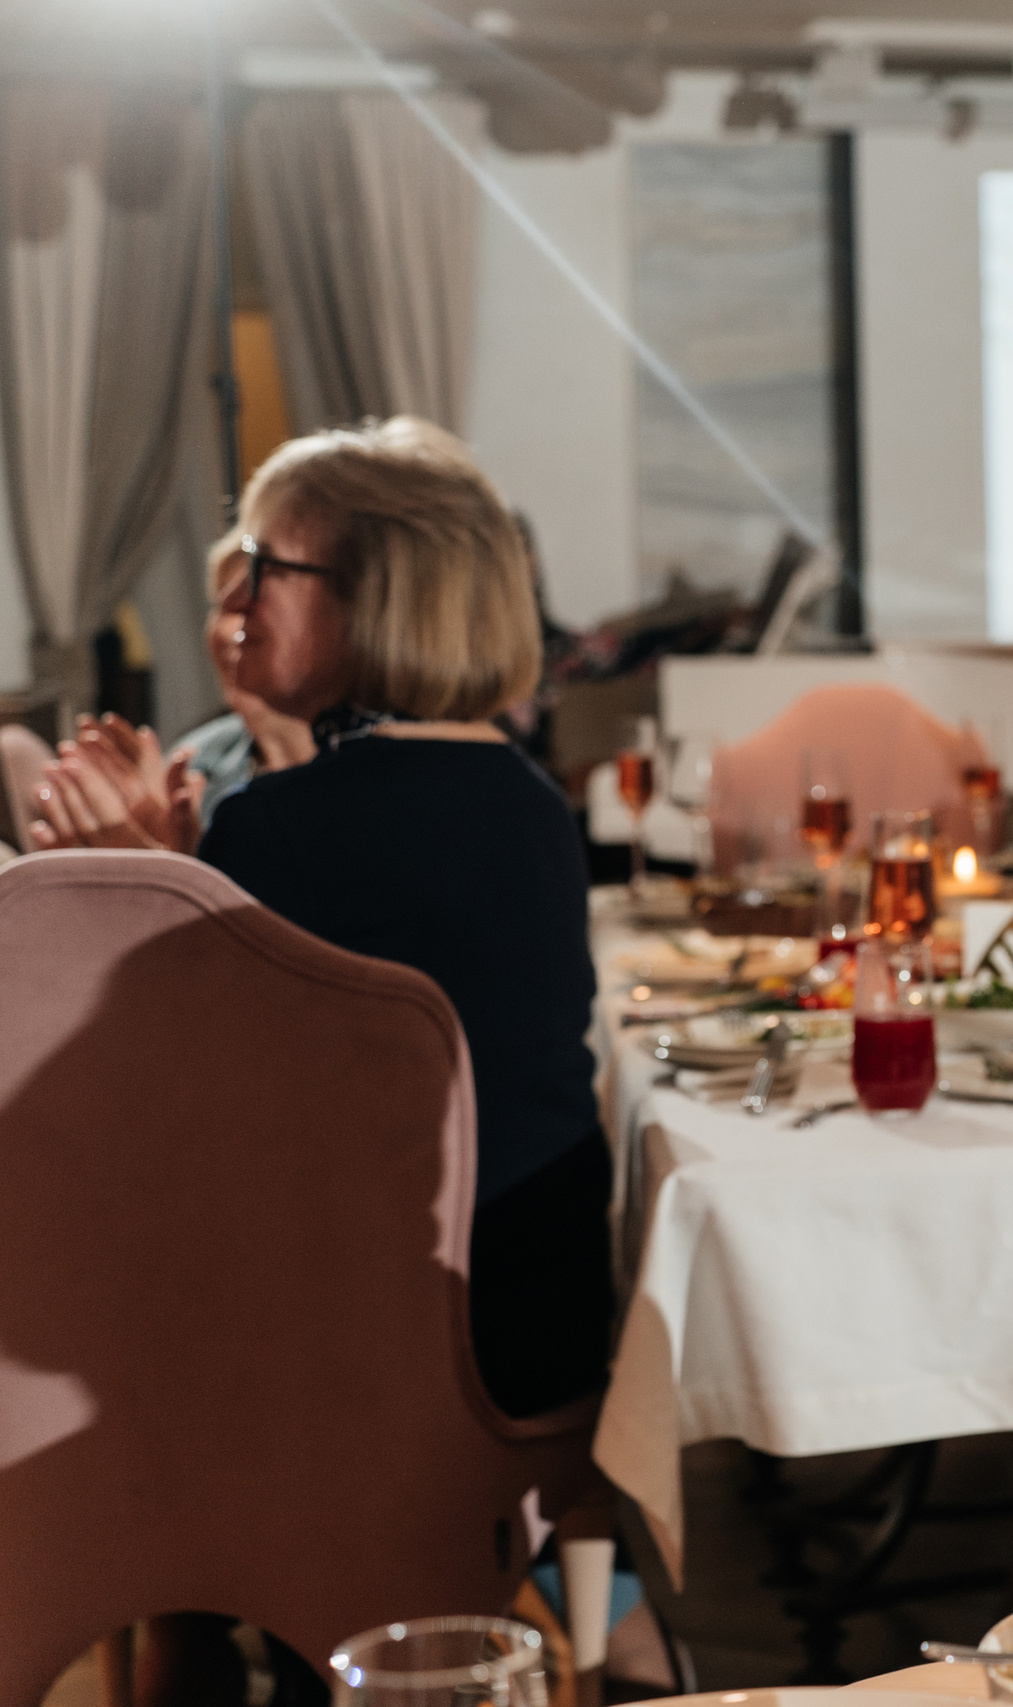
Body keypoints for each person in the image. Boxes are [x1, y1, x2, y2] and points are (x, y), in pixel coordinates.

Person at [29, 417, 612, 1419]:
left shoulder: (284, 826)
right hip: (543, 1317)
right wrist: (179, 878)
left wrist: (129, 885)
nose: (234, 601)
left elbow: (169, 1115)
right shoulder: (531, 803)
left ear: (376, 599)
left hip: (368, 1359)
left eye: (265, 568)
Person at [171, 531, 317, 826]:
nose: (227, 632)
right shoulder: (194, 760)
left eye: (253, 599)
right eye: (220, 606)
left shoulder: (374, 771)